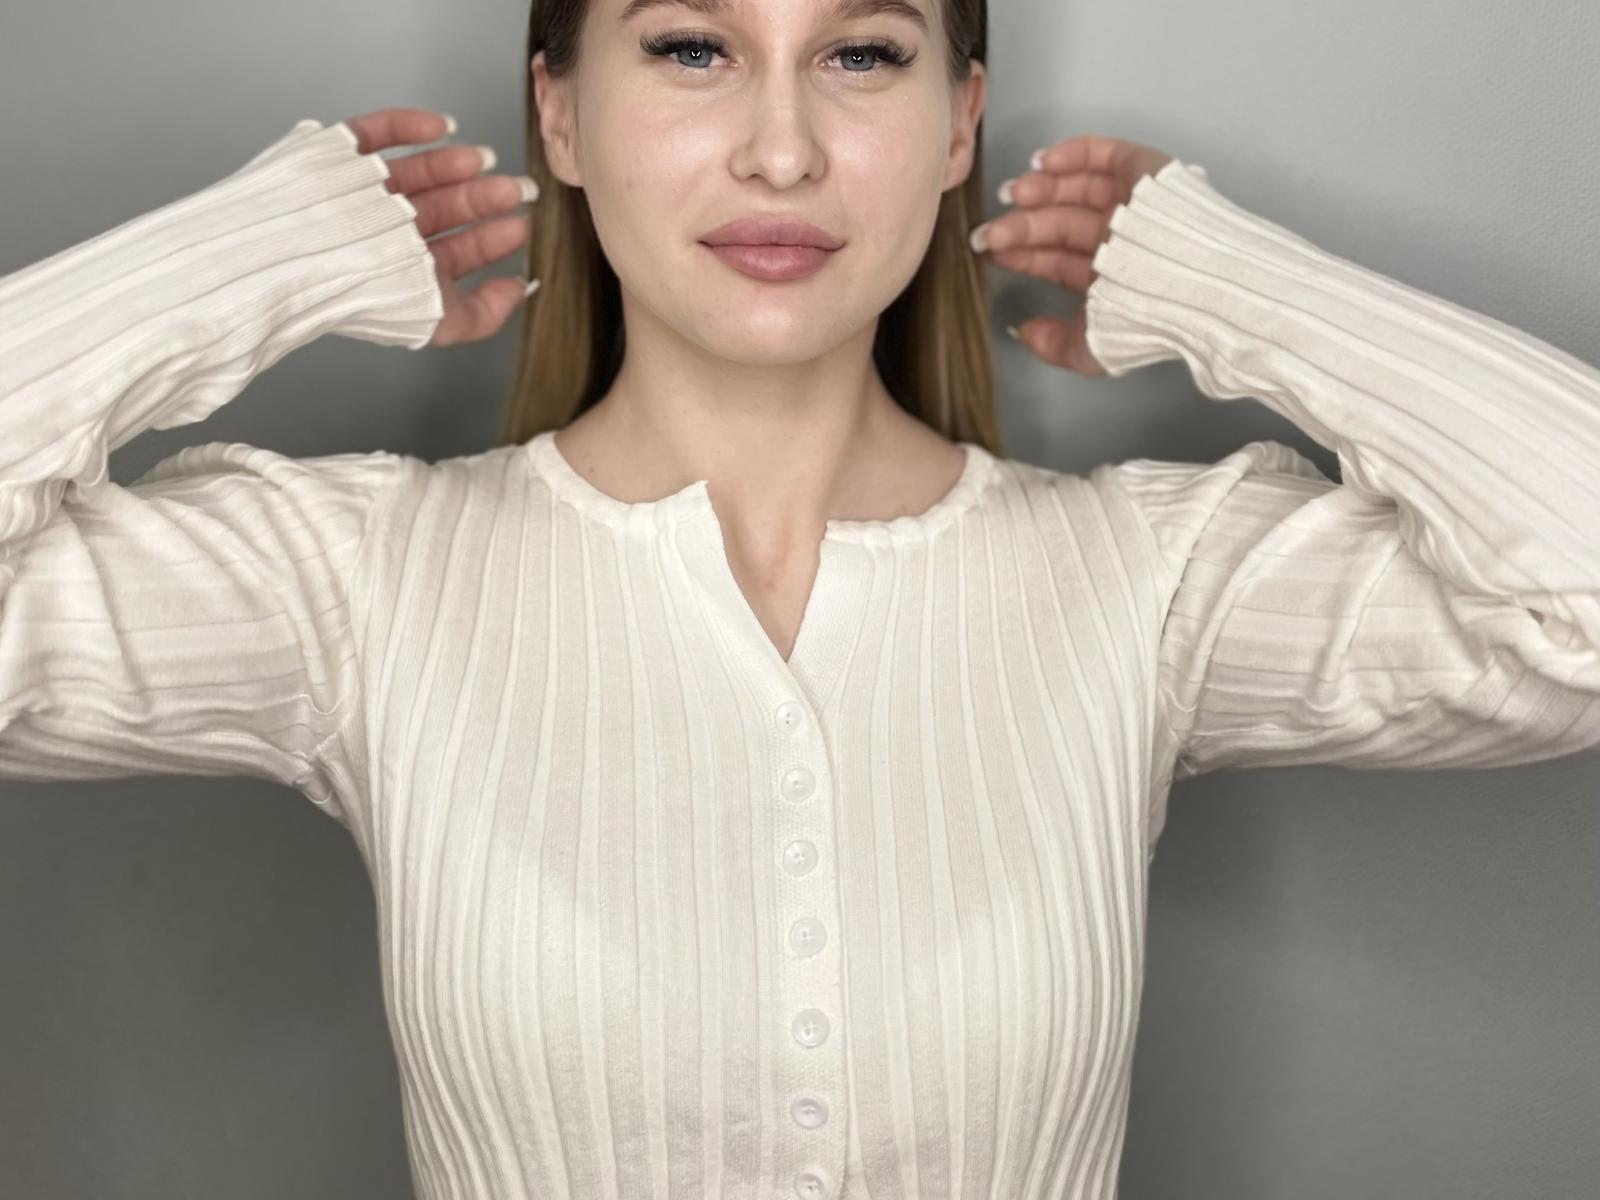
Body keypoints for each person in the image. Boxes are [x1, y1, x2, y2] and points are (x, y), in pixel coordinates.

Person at [3, 0, 1597, 1197]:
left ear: (962, 123)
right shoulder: (353, 581)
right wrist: (243, 263)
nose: (781, 148)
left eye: (864, 56)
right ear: (558, 116)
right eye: (693, 46)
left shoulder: (1146, 582)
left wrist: (1244, 293)